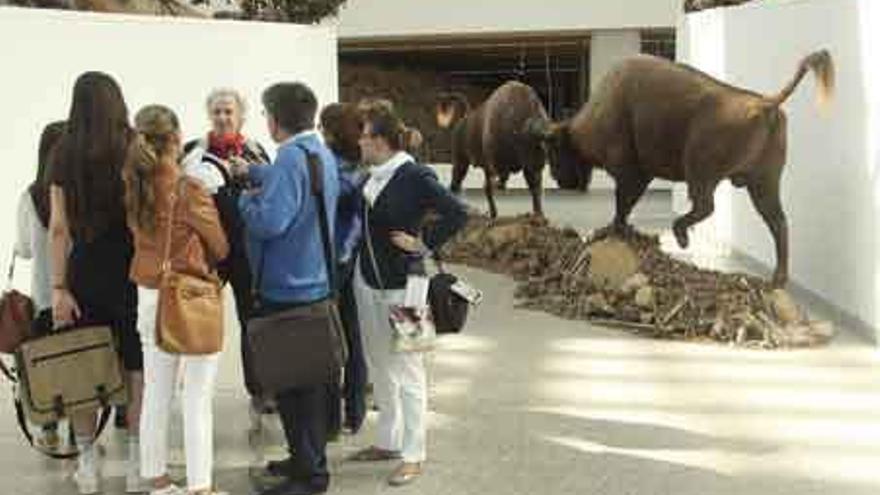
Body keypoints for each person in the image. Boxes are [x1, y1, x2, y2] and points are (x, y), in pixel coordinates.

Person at [349, 101, 467, 486]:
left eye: (364, 136)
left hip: (408, 286)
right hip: (368, 281)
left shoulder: (413, 174)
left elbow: (457, 212)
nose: (359, 142)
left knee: (409, 371)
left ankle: (414, 454)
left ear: (380, 141)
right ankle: (388, 440)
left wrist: (423, 243)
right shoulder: (371, 176)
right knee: (379, 364)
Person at [235, 82, 339, 495]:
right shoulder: (317, 152)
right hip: (314, 282)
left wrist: (245, 198)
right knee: (307, 385)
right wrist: (259, 172)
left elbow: (269, 222)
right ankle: (304, 459)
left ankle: (310, 476)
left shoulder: (290, 159)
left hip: (287, 289)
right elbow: (303, 186)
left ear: (274, 120)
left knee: (295, 388)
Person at [124, 105, 229, 495]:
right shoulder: (189, 188)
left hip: (148, 293)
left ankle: (157, 479)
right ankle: (200, 485)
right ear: (175, 138)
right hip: (188, 296)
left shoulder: (135, 185)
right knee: (197, 394)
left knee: (156, 391)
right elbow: (219, 244)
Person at [48, 72, 144, 495]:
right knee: (138, 367)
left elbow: (58, 228)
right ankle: (140, 457)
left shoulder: (63, 151)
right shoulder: (133, 144)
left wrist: (57, 287)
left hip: (84, 270)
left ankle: (87, 461)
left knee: (83, 366)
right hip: (131, 269)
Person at [181, 88, 271, 423]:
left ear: (240, 116)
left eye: (228, 112)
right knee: (198, 316)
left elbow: (272, 193)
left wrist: (249, 177)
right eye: (217, 111)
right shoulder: (191, 152)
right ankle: (195, 388)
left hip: (248, 249)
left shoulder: (256, 151)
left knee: (254, 319)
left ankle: (261, 389)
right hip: (207, 252)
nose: (222, 118)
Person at [14, 120, 66, 451]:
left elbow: (25, 249)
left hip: (46, 296)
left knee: (46, 365)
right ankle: (81, 437)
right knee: (80, 361)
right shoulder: (76, 193)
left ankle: (48, 430)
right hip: (78, 294)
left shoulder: (29, 196)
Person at [318, 102, 368, 436]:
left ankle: (331, 420)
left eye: (323, 126)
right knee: (354, 337)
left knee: (328, 341)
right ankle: (355, 412)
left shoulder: (331, 166)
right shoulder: (363, 167)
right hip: (356, 260)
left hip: (334, 262)